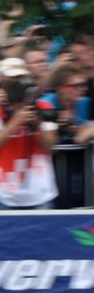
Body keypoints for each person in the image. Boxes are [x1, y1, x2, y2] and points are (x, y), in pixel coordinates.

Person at [0, 79, 58, 210]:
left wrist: (37, 124)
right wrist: (16, 121)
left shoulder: (44, 108)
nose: (13, 109)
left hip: (40, 193)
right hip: (4, 193)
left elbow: (50, 147)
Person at [40, 65, 94, 208]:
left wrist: (70, 128)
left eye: (85, 84)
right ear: (62, 88)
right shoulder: (46, 102)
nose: (84, 89)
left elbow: (82, 136)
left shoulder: (85, 103)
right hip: (48, 168)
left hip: (78, 165)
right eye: (78, 85)